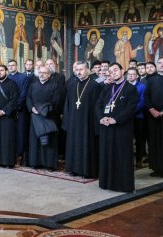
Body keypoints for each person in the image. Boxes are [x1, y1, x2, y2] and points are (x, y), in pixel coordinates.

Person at [96, 63, 139, 192]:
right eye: (110, 71)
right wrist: (101, 118)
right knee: (107, 154)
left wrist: (116, 119)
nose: (113, 72)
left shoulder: (130, 89)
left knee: (121, 155)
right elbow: (98, 105)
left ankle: (122, 185)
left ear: (122, 70)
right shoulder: (107, 88)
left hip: (122, 128)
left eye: (115, 70)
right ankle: (106, 183)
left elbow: (131, 108)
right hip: (106, 127)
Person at [62, 61, 101, 178]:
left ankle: (86, 171)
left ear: (88, 70)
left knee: (86, 145)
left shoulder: (94, 86)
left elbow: (97, 106)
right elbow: (67, 104)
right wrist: (67, 120)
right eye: (77, 70)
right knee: (74, 145)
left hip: (87, 122)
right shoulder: (72, 85)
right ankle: (74, 168)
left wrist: (96, 124)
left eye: (81, 69)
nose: (78, 72)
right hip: (74, 121)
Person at [26, 66, 61, 170]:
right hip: (35, 117)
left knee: (49, 142)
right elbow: (28, 98)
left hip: (48, 116)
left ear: (49, 74)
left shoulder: (55, 86)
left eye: (44, 73)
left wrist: (43, 110)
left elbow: (56, 101)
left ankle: (49, 165)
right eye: (40, 72)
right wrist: (32, 108)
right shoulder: (33, 85)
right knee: (35, 141)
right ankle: (36, 163)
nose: (41, 74)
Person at [0, 65, 19, 167]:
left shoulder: (12, 84)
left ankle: (8, 162)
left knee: (7, 140)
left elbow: (14, 101)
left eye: (1, 70)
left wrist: (2, 111)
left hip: (8, 117)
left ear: (6, 71)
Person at [144, 56, 163, 178]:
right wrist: (151, 109)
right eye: (160, 63)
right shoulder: (151, 80)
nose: (162, 65)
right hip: (153, 117)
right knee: (154, 142)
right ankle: (157, 168)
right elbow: (146, 96)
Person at [7, 60, 30, 165]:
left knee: (20, 133)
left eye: (13, 65)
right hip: (8, 111)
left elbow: (24, 94)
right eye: (9, 66)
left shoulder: (23, 77)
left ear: (17, 66)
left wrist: (15, 107)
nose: (11, 67)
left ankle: (20, 155)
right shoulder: (6, 78)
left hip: (20, 110)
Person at [126, 67, 147, 169]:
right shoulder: (123, 86)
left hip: (138, 117)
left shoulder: (142, 86)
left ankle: (139, 161)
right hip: (126, 118)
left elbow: (142, 101)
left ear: (137, 76)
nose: (130, 76)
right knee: (127, 140)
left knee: (139, 140)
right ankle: (128, 162)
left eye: (133, 74)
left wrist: (130, 111)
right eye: (129, 74)